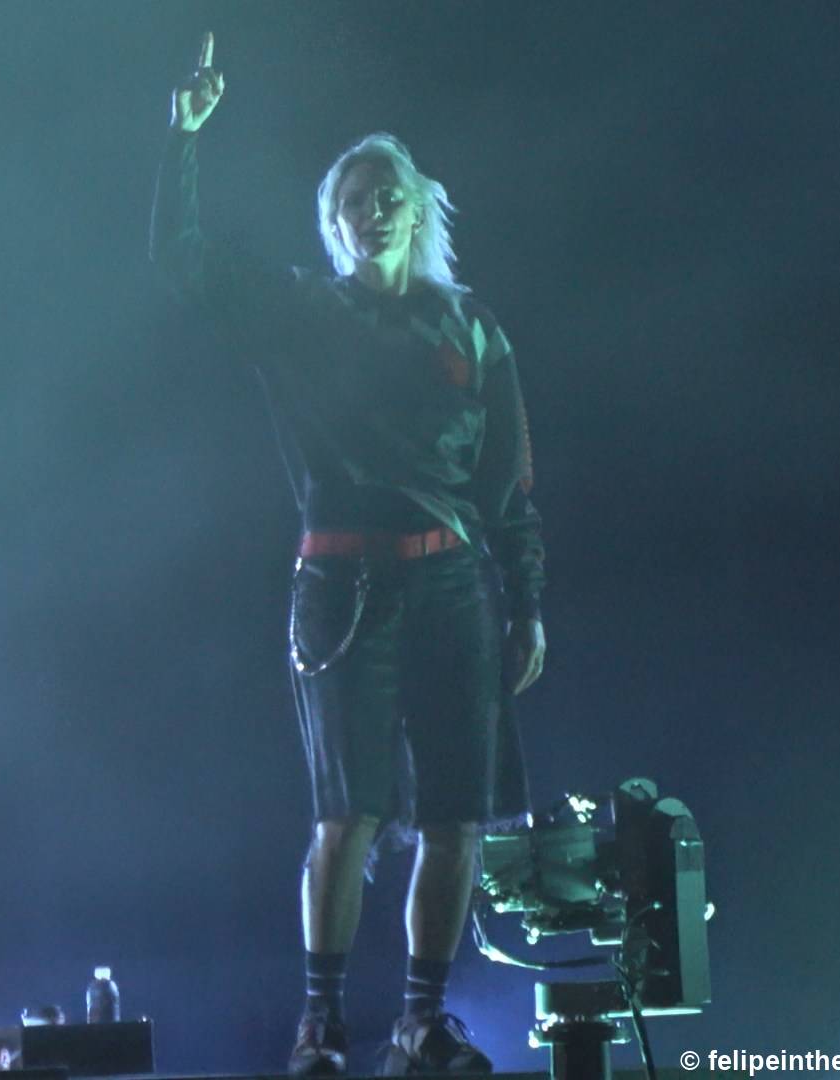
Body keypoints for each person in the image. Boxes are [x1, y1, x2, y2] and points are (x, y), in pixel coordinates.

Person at [149, 33, 548, 1076]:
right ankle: (320, 1026)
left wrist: (526, 605)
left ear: (418, 210)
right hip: (342, 587)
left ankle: (421, 1021)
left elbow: (507, 484)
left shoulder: (472, 328)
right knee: (348, 816)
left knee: (456, 820)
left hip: (453, 585)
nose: (372, 210)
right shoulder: (300, 314)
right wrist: (182, 138)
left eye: (387, 195)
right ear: (334, 225)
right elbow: (182, 261)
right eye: (353, 200)